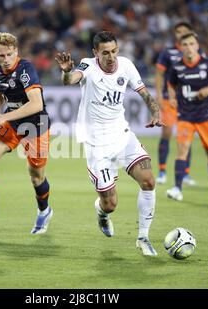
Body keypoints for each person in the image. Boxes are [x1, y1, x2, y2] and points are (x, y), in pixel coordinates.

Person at [55, 31, 163, 256]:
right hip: (97, 146)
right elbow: (72, 79)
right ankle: (101, 213)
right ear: (96, 53)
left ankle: (143, 237)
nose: (111, 56)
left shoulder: (126, 65)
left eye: (114, 51)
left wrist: (156, 112)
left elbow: (144, 93)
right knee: (110, 204)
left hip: (123, 137)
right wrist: (66, 72)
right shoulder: (87, 66)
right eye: (105, 52)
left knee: (149, 180)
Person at [0, 32, 53, 235]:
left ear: (16, 52)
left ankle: (44, 211)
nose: (5, 60)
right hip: (13, 123)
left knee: (36, 177)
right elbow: (2, 93)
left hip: (35, 125)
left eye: (9, 55)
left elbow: (36, 104)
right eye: (1, 56)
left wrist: (2, 118)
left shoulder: (26, 69)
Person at [166, 32, 208, 202]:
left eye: (192, 44)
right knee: (182, 151)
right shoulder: (177, 67)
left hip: (205, 115)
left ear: (197, 46)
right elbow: (171, 84)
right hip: (185, 115)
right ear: (181, 48)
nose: (189, 48)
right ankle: (177, 189)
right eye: (185, 45)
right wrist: (172, 97)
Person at [155, 22, 200, 186]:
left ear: (190, 33)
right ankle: (161, 171)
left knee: (186, 136)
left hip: (188, 101)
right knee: (166, 132)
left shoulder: (196, 51)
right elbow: (159, 74)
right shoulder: (168, 52)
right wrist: (159, 95)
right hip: (169, 98)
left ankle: (186, 173)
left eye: (184, 31)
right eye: (178, 31)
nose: (181, 34)